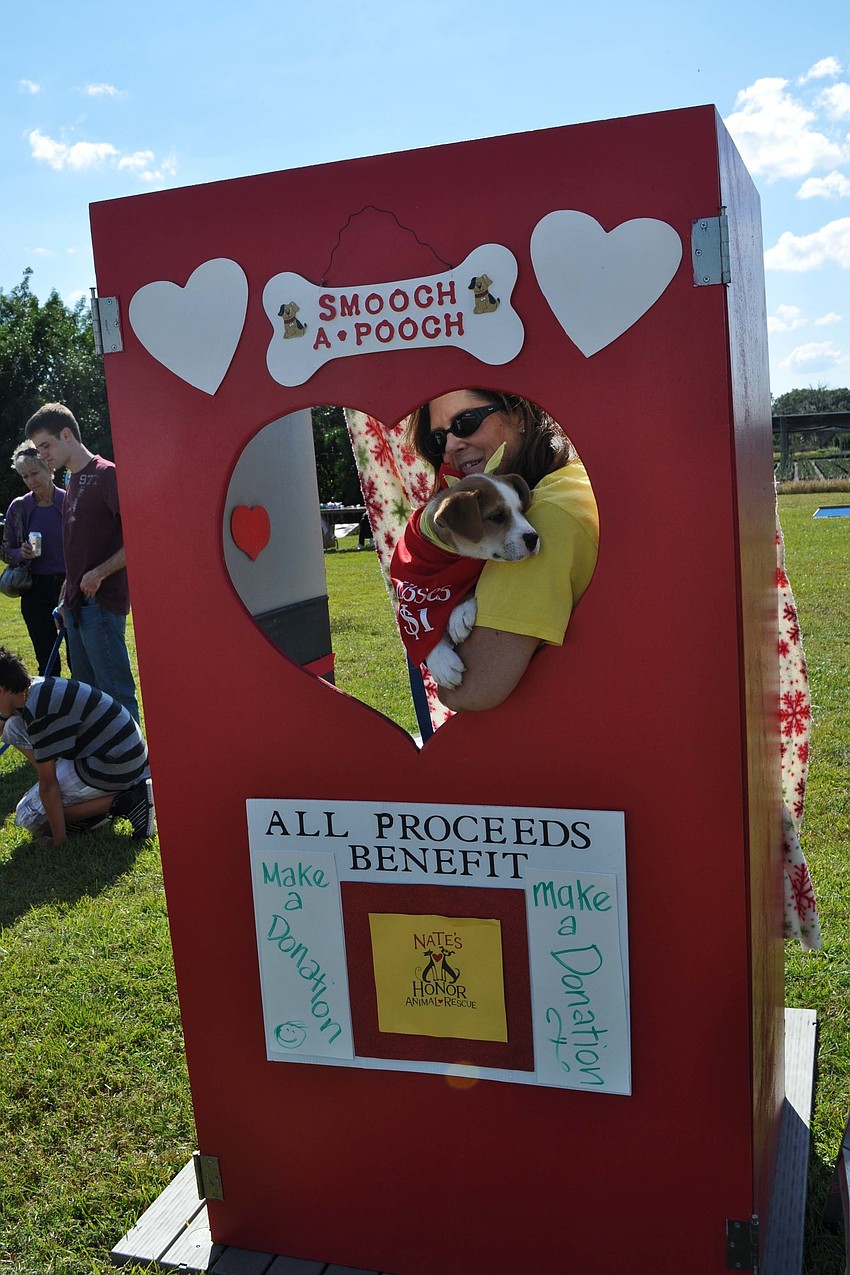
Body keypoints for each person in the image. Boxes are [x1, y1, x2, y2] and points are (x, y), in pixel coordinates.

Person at [405, 389, 599, 711]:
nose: (451, 446)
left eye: (466, 422)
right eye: (437, 440)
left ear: (519, 414)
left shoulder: (547, 516)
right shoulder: (572, 479)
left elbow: (467, 691)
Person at [25, 402, 140, 722]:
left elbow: (138, 539)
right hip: (75, 605)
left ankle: (134, 768)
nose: (42, 455)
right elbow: (80, 551)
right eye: (37, 449)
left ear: (66, 435)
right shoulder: (71, 481)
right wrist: (66, 593)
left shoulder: (106, 473)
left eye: (45, 445)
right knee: (88, 695)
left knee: (115, 692)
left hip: (101, 603)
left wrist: (99, 574)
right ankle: (101, 764)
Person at [0, 646, 154, 845]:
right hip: (122, 753)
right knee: (12, 726)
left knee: (28, 817)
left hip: (114, 764)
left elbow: (49, 785)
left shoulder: (41, 710)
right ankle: (92, 808)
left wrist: (58, 840)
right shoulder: (34, 688)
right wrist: (3, 714)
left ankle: (128, 801)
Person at [2, 443, 67, 675]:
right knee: (47, 662)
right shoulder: (19, 507)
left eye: (34, 473)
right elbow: (5, 551)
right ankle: (51, 709)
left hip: (69, 588)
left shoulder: (69, 502)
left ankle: (81, 709)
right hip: (35, 589)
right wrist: (21, 553)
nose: (30, 480)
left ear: (49, 468)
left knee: (79, 660)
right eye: (24, 476)